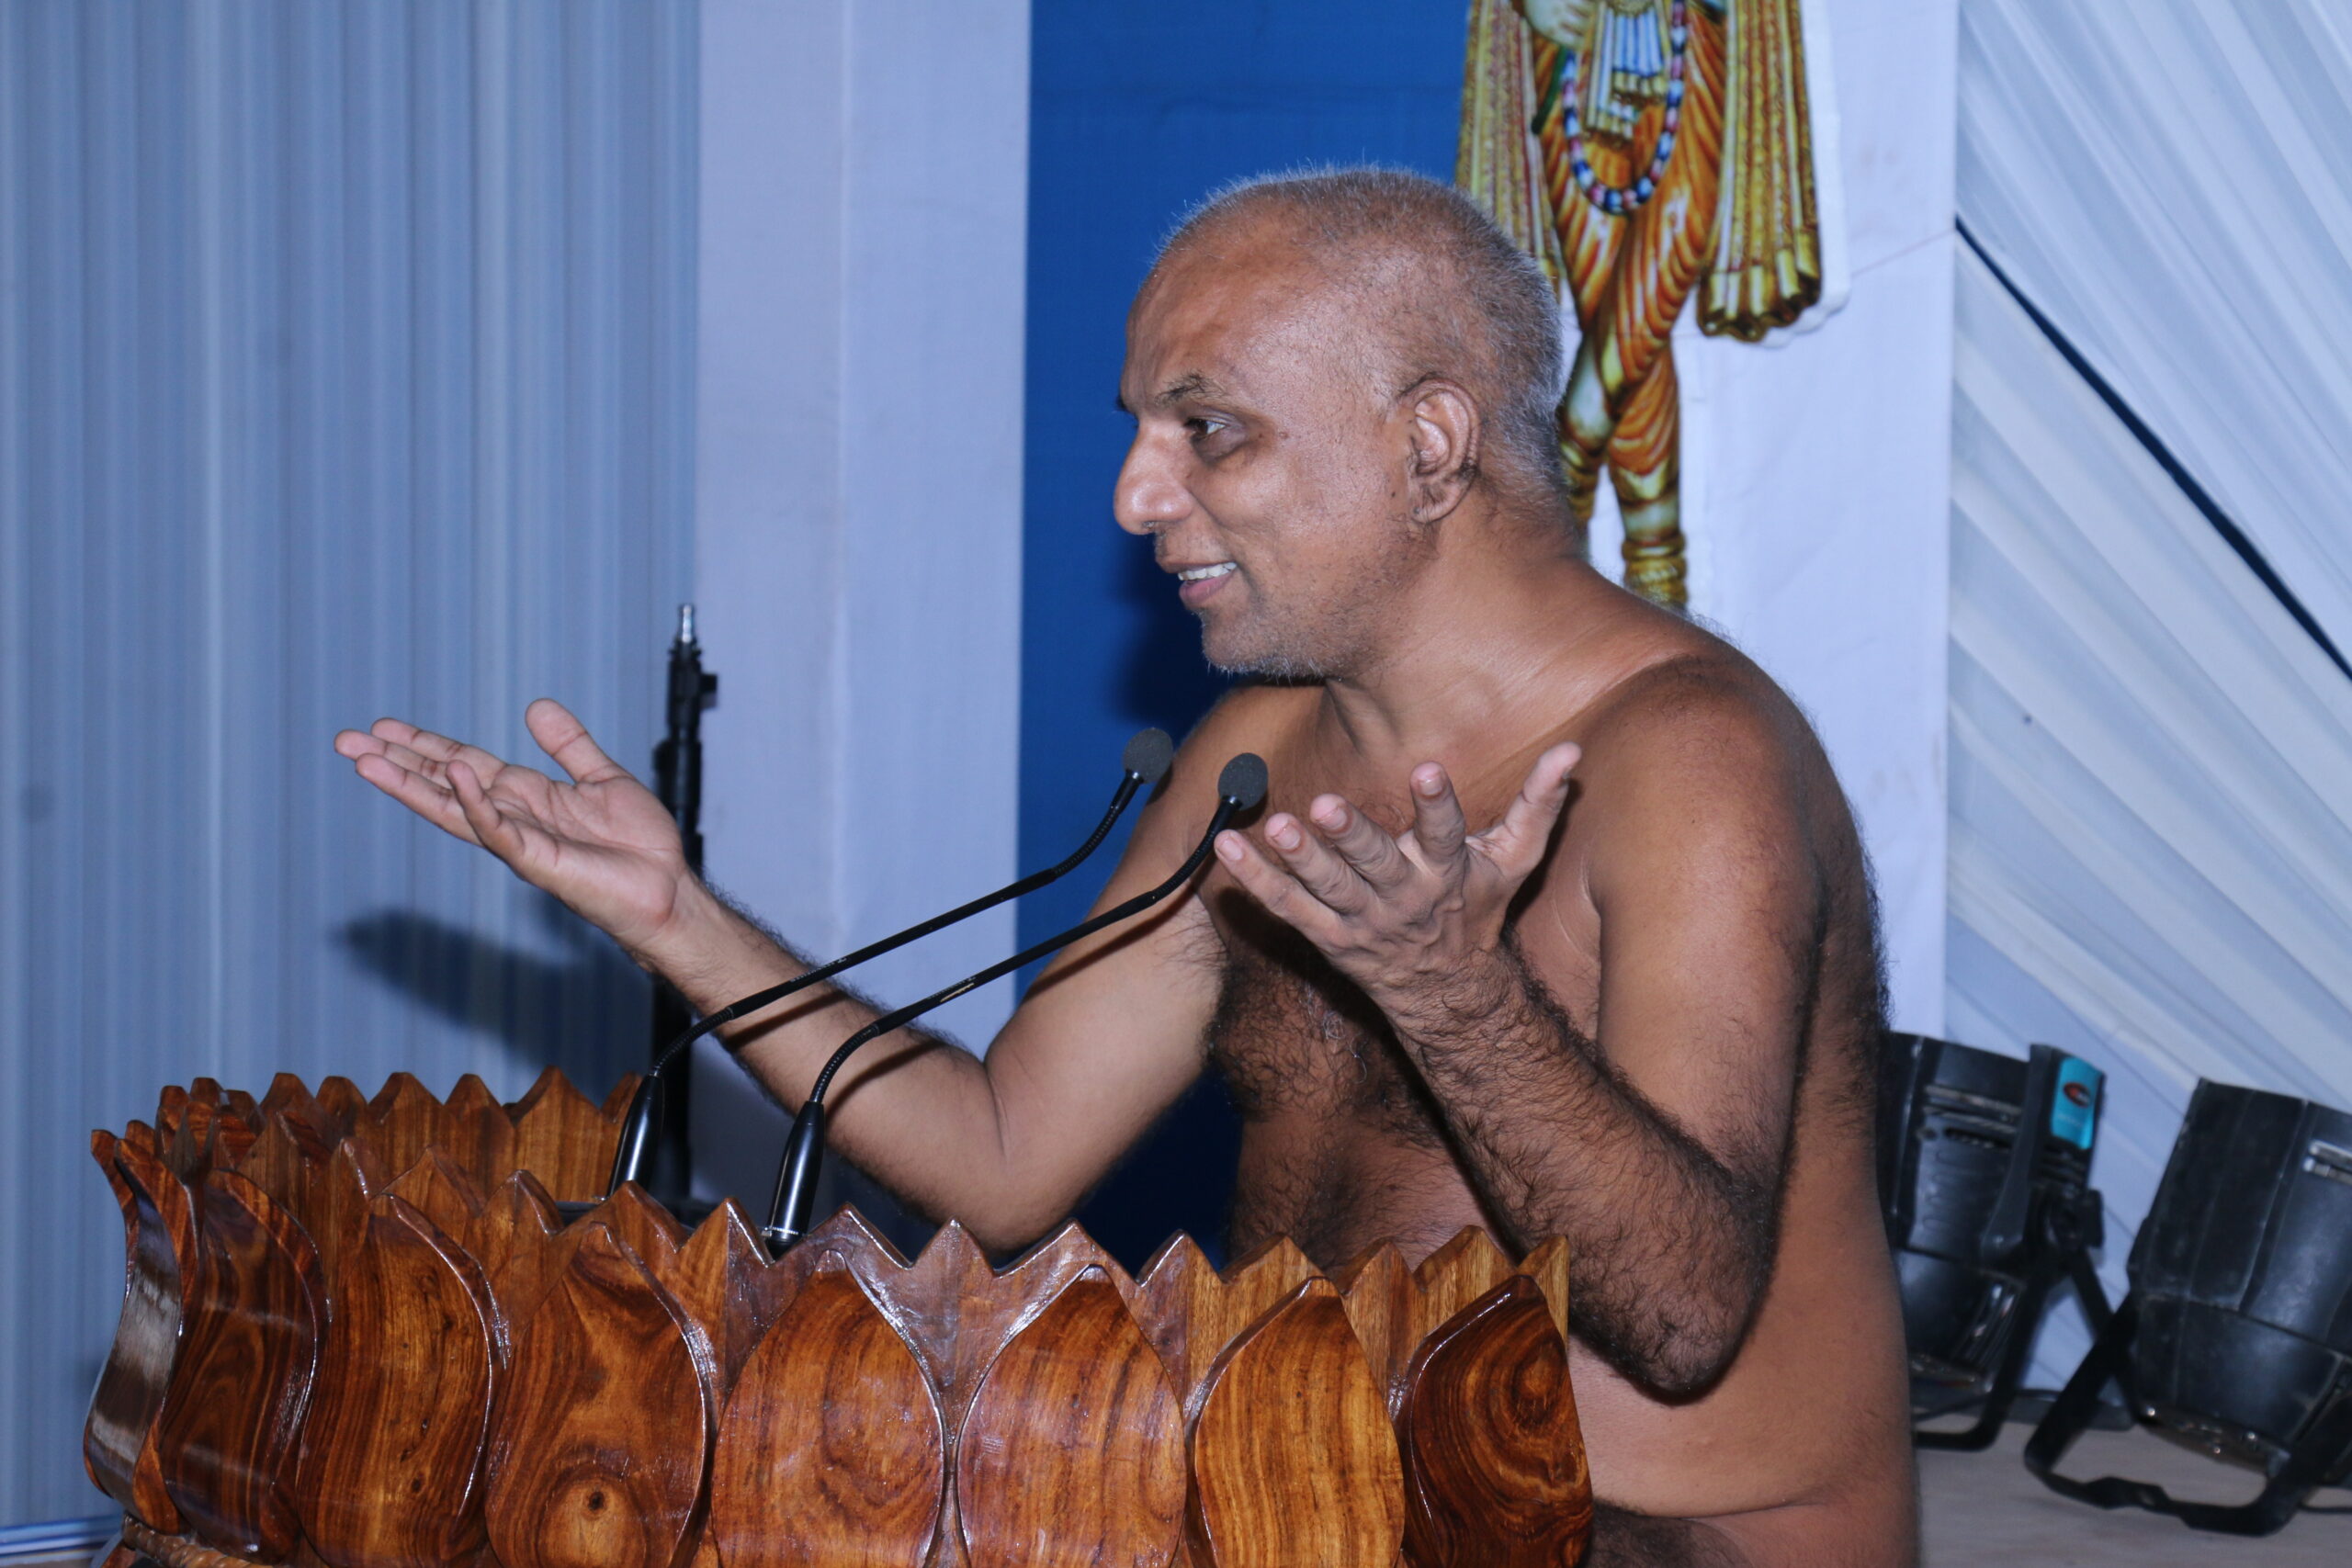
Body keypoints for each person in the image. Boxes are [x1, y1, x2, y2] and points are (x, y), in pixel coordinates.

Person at [335, 168, 1915, 1566]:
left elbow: (1681, 1318)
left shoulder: (1688, 757)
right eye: (1144, 433)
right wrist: (677, 919)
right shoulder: (1260, 753)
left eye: (1208, 432)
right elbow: (1002, 1149)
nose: (1137, 499)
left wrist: (1452, 995)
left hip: (1665, 1536)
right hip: (1320, 1509)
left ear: (1431, 446)